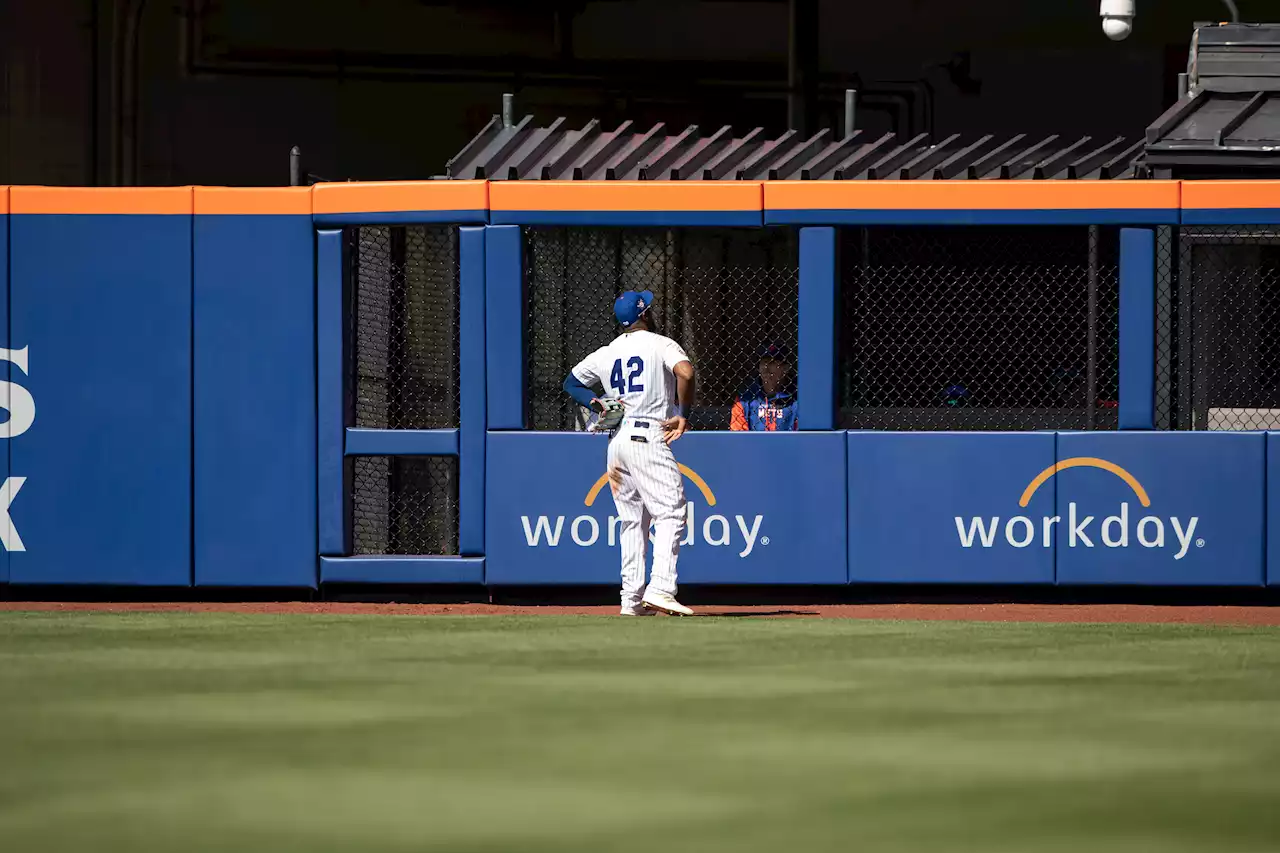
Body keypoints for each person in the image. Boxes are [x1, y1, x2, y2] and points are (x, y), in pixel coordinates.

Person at [561, 290, 697, 617]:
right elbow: (686, 372)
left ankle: (631, 601)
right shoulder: (660, 343)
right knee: (671, 512)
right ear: (645, 313)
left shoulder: (608, 352)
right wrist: (683, 411)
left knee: (632, 521)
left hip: (617, 438)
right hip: (648, 433)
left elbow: (571, 383)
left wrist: (599, 404)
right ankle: (662, 588)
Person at [730, 343, 799, 431]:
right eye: (763, 362)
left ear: (785, 368)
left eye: (772, 362)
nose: (766, 367)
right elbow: (738, 436)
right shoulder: (745, 399)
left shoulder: (798, 399)